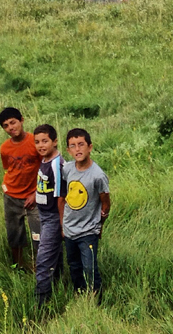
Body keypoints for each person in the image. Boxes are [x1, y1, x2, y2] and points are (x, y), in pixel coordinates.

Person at [60, 127, 110, 296]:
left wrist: (100, 226)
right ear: (68, 150)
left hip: (88, 230)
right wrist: (62, 224)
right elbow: (64, 195)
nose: (77, 149)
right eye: (73, 146)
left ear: (90, 147)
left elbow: (106, 204)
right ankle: (79, 292)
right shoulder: (67, 169)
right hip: (69, 229)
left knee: (89, 266)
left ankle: (95, 297)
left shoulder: (98, 175)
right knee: (73, 264)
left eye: (81, 144)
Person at [0, 106, 41, 268]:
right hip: (12, 196)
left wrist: (37, 193)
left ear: (22, 120)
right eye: (6, 126)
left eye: (13, 122)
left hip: (34, 196)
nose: (11, 128)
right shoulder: (5, 148)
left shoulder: (35, 142)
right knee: (14, 232)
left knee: (38, 232)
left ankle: (41, 265)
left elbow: (46, 169)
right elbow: (9, 169)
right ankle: (18, 266)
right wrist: (6, 187)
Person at [33, 124, 64, 306]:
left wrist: (62, 224)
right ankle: (57, 287)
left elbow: (61, 197)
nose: (41, 145)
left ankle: (40, 304)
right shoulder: (44, 160)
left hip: (53, 217)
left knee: (43, 260)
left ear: (54, 141)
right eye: (37, 142)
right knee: (55, 255)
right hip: (43, 215)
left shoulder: (56, 164)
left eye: (45, 141)